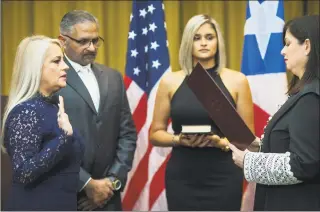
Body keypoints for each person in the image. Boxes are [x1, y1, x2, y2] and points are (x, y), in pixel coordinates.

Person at [150, 14, 255, 211]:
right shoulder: (170, 82)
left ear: (218, 41)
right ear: (188, 42)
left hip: (224, 174)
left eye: (209, 37)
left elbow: (248, 140)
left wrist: (221, 143)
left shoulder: (237, 80)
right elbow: (155, 133)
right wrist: (178, 139)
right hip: (183, 175)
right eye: (196, 38)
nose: (203, 43)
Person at [229, 15, 319, 211]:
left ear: (307, 46)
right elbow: (297, 146)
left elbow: (304, 164)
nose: (282, 50)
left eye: (288, 44)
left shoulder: (311, 97)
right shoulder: (304, 93)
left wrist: (249, 161)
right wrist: (261, 146)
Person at [57, 10, 137, 211]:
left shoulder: (113, 77)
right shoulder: (51, 78)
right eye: (83, 41)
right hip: (68, 197)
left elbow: (127, 134)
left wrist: (110, 183)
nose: (91, 48)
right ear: (62, 41)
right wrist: (87, 184)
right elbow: (49, 140)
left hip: (109, 198)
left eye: (95, 41)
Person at [1, 35, 84, 210]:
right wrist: (64, 137)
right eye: (57, 61)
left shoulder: (53, 106)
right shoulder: (26, 111)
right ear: (36, 68)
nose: (65, 66)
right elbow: (23, 173)